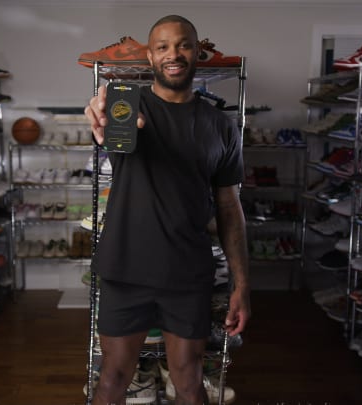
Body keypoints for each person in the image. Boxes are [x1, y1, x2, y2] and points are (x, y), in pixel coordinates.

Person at [84, 14, 250, 405]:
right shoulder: (127, 103)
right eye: (163, 47)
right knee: (112, 379)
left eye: (183, 45)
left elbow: (229, 207)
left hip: (187, 272)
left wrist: (242, 284)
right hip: (125, 268)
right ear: (150, 56)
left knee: (190, 382)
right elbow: (109, 129)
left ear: (198, 52)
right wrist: (101, 122)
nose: (173, 54)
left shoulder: (221, 126)